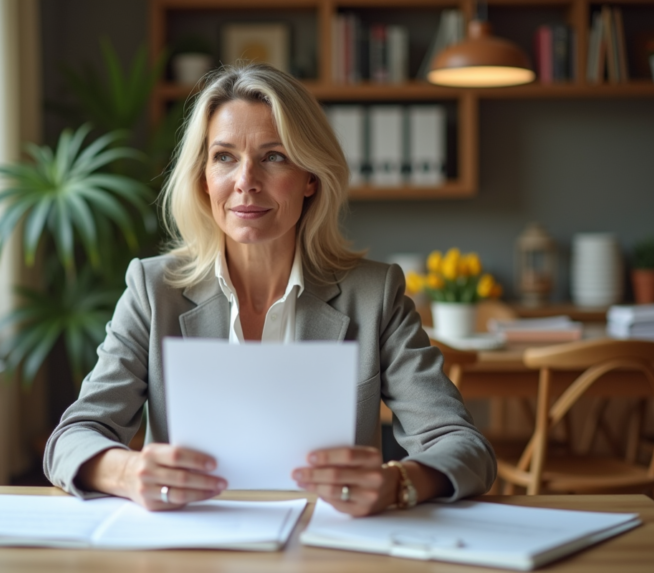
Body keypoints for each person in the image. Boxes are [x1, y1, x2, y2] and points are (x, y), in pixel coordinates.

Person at [44, 63, 496, 517]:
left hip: (329, 546)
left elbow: (464, 446)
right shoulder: (152, 288)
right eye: (224, 157)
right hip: (190, 546)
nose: (245, 180)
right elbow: (71, 438)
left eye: (274, 156)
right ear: (203, 178)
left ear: (311, 177)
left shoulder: (374, 294)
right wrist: (128, 472)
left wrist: (399, 483)